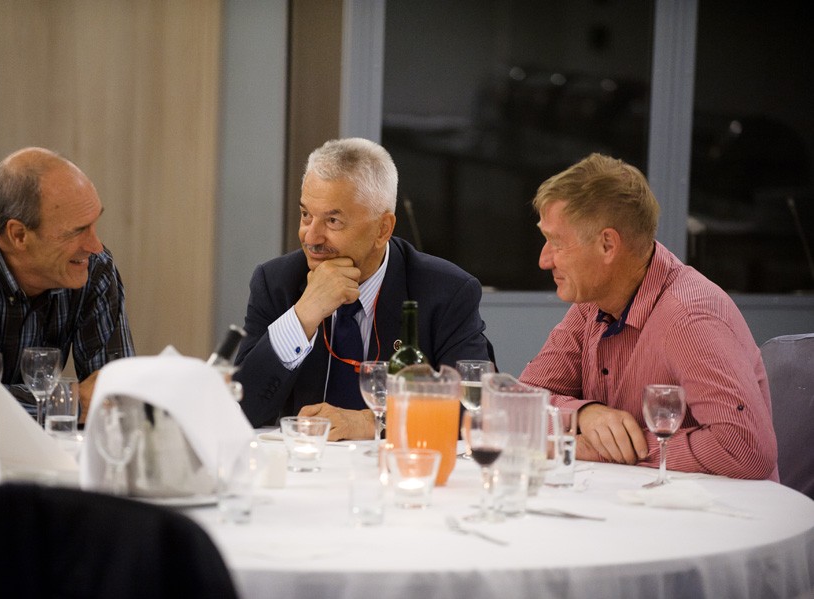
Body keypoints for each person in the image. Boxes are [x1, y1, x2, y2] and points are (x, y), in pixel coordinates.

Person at [519, 153, 778, 480]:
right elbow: (517, 405)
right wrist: (584, 414)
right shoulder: (592, 303)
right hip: (633, 500)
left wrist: (613, 450)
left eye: (557, 243)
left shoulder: (689, 317)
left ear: (607, 245)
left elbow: (746, 448)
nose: (544, 260)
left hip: (715, 509)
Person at [234, 138, 494, 439]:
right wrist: (303, 316)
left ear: (383, 229)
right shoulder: (276, 282)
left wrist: (372, 423)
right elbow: (239, 410)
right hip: (305, 462)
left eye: (333, 220)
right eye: (306, 215)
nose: (311, 237)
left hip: (396, 464)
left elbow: (477, 409)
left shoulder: (445, 291)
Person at [0, 147, 134, 418]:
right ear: (19, 235)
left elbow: (116, 399)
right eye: (78, 231)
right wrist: (71, 399)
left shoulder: (93, 268)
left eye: (94, 224)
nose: (96, 246)